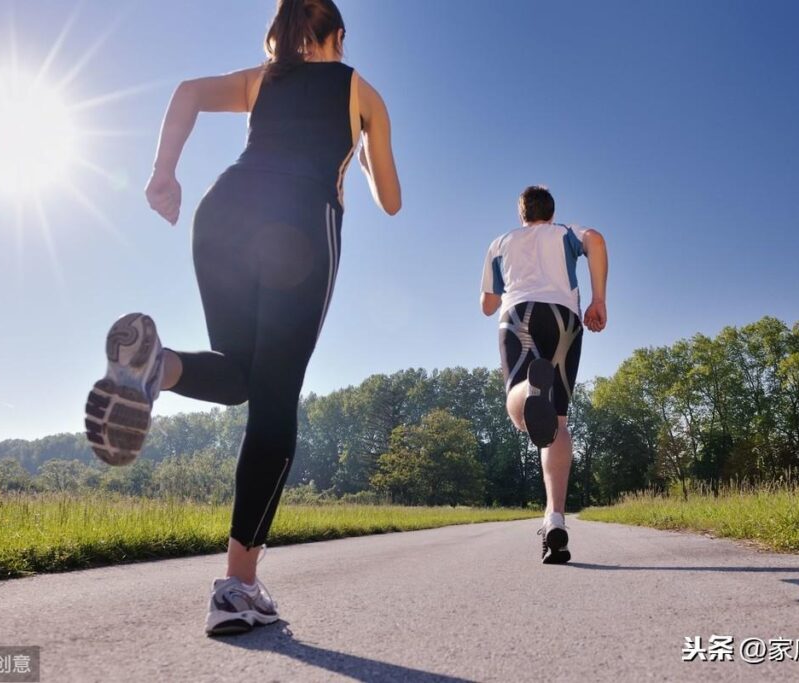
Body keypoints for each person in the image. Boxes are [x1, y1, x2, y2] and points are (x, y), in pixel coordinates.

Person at [83, 0, 401, 636]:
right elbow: (389, 200)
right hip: (299, 227)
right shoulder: (359, 89)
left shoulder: (263, 79)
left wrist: (162, 174)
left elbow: (188, 92)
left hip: (222, 209)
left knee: (239, 378)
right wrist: (363, 144)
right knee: (276, 403)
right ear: (337, 36)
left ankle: (159, 367)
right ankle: (238, 586)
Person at [479, 186, 607, 564]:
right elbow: (596, 240)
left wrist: (495, 286)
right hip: (565, 319)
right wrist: (598, 299)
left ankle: (529, 388)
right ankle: (555, 520)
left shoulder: (501, 242)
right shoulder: (566, 233)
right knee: (558, 424)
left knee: (519, 412)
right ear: (550, 213)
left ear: (522, 213)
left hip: (519, 316)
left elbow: (488, 305)